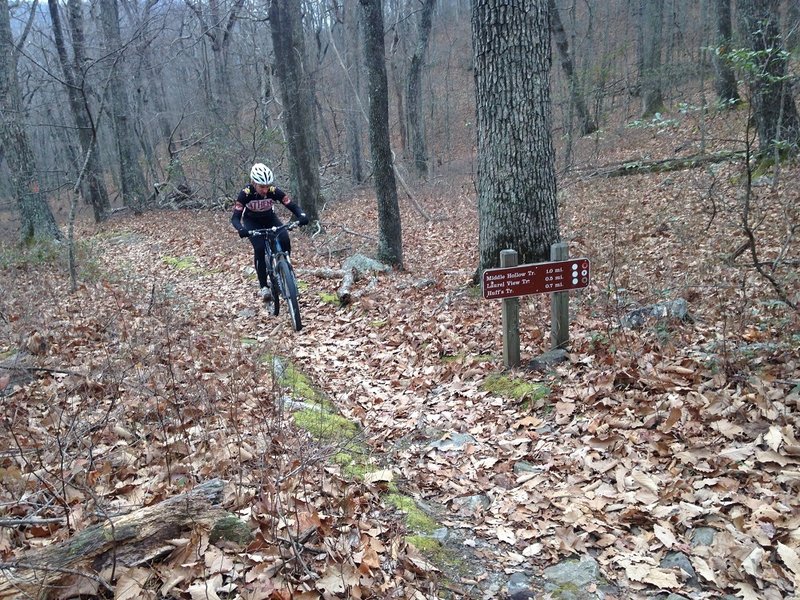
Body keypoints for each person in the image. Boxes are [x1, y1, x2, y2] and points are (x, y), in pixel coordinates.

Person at [231, 163, 309, 301]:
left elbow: (291, 205)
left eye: (267, 186)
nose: (265, 190)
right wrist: (241, 229)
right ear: (254, 183)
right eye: (262, 186)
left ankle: (287, 270)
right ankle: (263, 287)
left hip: (270, 218)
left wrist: (301, 215)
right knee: (260, 248)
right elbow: (235, 217)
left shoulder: (273, 191)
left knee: (285, 238)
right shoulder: (245, 193)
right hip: (252, 222)